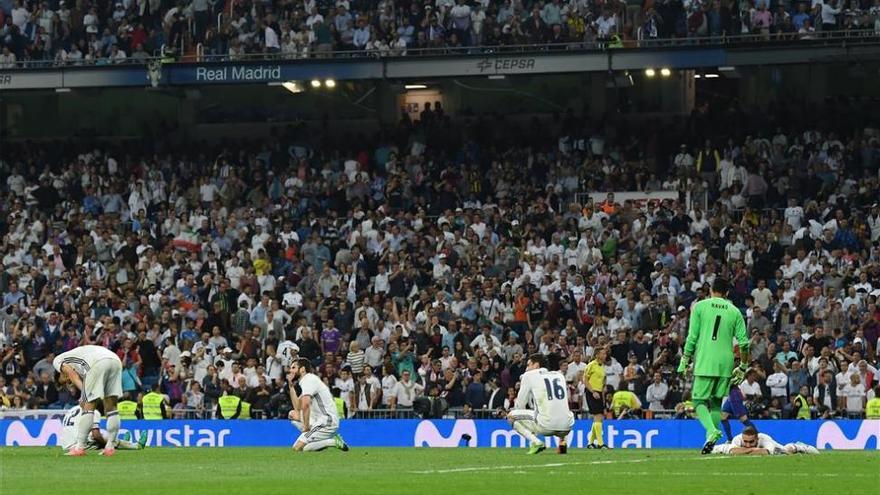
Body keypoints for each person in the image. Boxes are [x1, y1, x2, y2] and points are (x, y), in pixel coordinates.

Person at [677, 278, 749, 454]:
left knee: (698, 400)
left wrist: (684, 360)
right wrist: (743, 366)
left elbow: (692, 336)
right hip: (726, 362)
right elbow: (744, 343)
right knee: (716, 402)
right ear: (727, 293)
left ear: (711, 290)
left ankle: (711, 431)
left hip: (705, 359)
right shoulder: (735, 311)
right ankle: (710, 441)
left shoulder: (699, 307)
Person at [53, 345, 124, 456]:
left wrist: (83, 394)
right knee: (111, 407)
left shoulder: (57, 361)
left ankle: (79, 448)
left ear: (59, 373)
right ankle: (110, 447)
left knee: (88, 406)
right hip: (115, 360)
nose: (67, 381)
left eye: (64, 380)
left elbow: (72, 374)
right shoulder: (77, 357)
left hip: (97, 363)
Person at [506, 353, 575, 455]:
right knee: (558, 407)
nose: (526, 369)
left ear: (536, 365)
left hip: (546, 425)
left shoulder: (529, 375)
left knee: (511, 416)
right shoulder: (559, 375)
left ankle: (536, 442)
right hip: (567, 426)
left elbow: (519, 405)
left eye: (528, 365)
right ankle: (562, 443)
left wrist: (524, 420)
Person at [287, 357, 349, 452]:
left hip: (327, 421)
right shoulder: (308, 380)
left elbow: (305, 405)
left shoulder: (308, 380)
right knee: (304, 447)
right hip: (321, 420)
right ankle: (329, 441)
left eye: (293, 368)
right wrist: (291, 386)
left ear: (302, 369)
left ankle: (333, 441)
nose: (290, 371)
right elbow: (297, 407)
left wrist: (307, 427)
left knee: (297, 448)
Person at [60, 403, 147, 452]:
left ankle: (124, 442)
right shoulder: (93, 411)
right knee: (106, 438)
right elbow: (96, 435)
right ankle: (136, 446)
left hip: (65, 445)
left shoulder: (73, 409)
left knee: (100, 437)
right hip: (76, 446)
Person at [712, 426, 819, 455]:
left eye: (751, 442)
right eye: (746, 442)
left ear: (757, 438)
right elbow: (733, 451)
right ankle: (714, 448)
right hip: (754, 449)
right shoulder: (738, 438)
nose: (748, 445)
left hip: (777, 449)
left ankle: (799, 446)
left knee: (786, 450)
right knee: (726, 448)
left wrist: (744, 450)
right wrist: (753, 450)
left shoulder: (764, 438)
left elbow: (766, 452)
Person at [582, 346, 608, 449]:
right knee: (598, 416)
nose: (605, 355)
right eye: (603, 353)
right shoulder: (591, 365)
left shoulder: (602, 367)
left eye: (605, 353)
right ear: (597, 355)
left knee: (599, 418)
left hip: (599, 392)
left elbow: (602, 382)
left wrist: (603, 393)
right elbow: (585, 379)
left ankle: (590, 443)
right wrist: (592, 391)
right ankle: (601, 444)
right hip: (592, 392)